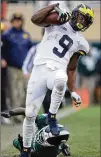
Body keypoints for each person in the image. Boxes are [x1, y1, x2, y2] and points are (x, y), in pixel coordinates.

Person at [20, 3, 94, 157]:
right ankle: (26, 151)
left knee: (61, 78)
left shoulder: (82, 43)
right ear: (74, 14)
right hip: (38, 70)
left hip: (57, 70)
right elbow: (35, 19)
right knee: (30, 114)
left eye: (85, 20)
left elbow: (72, 68)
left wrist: (73, 91)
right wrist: (52, 8)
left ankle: (52, 116)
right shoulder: (59, 20)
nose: (81, 21)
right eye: (81, 16)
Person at [1, 13, 34, 123]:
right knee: (14, 93)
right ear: (12, 21)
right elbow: (2, 49)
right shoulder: (7, 35)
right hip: (12, 67)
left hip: (25, 69)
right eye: (15, 20)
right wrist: (2, 58)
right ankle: (16, 116)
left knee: (25, 92)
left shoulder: (26, 35)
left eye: (19, 20)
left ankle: (25, 113)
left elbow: (31, 51)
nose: (17, 22)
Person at [1, 108, 70, 157]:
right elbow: (26, 111)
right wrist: (11, 113)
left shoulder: (40, 148)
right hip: (44, 140)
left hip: (40, 148)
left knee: (18, 143)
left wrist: (23, 148)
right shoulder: (43, 120)